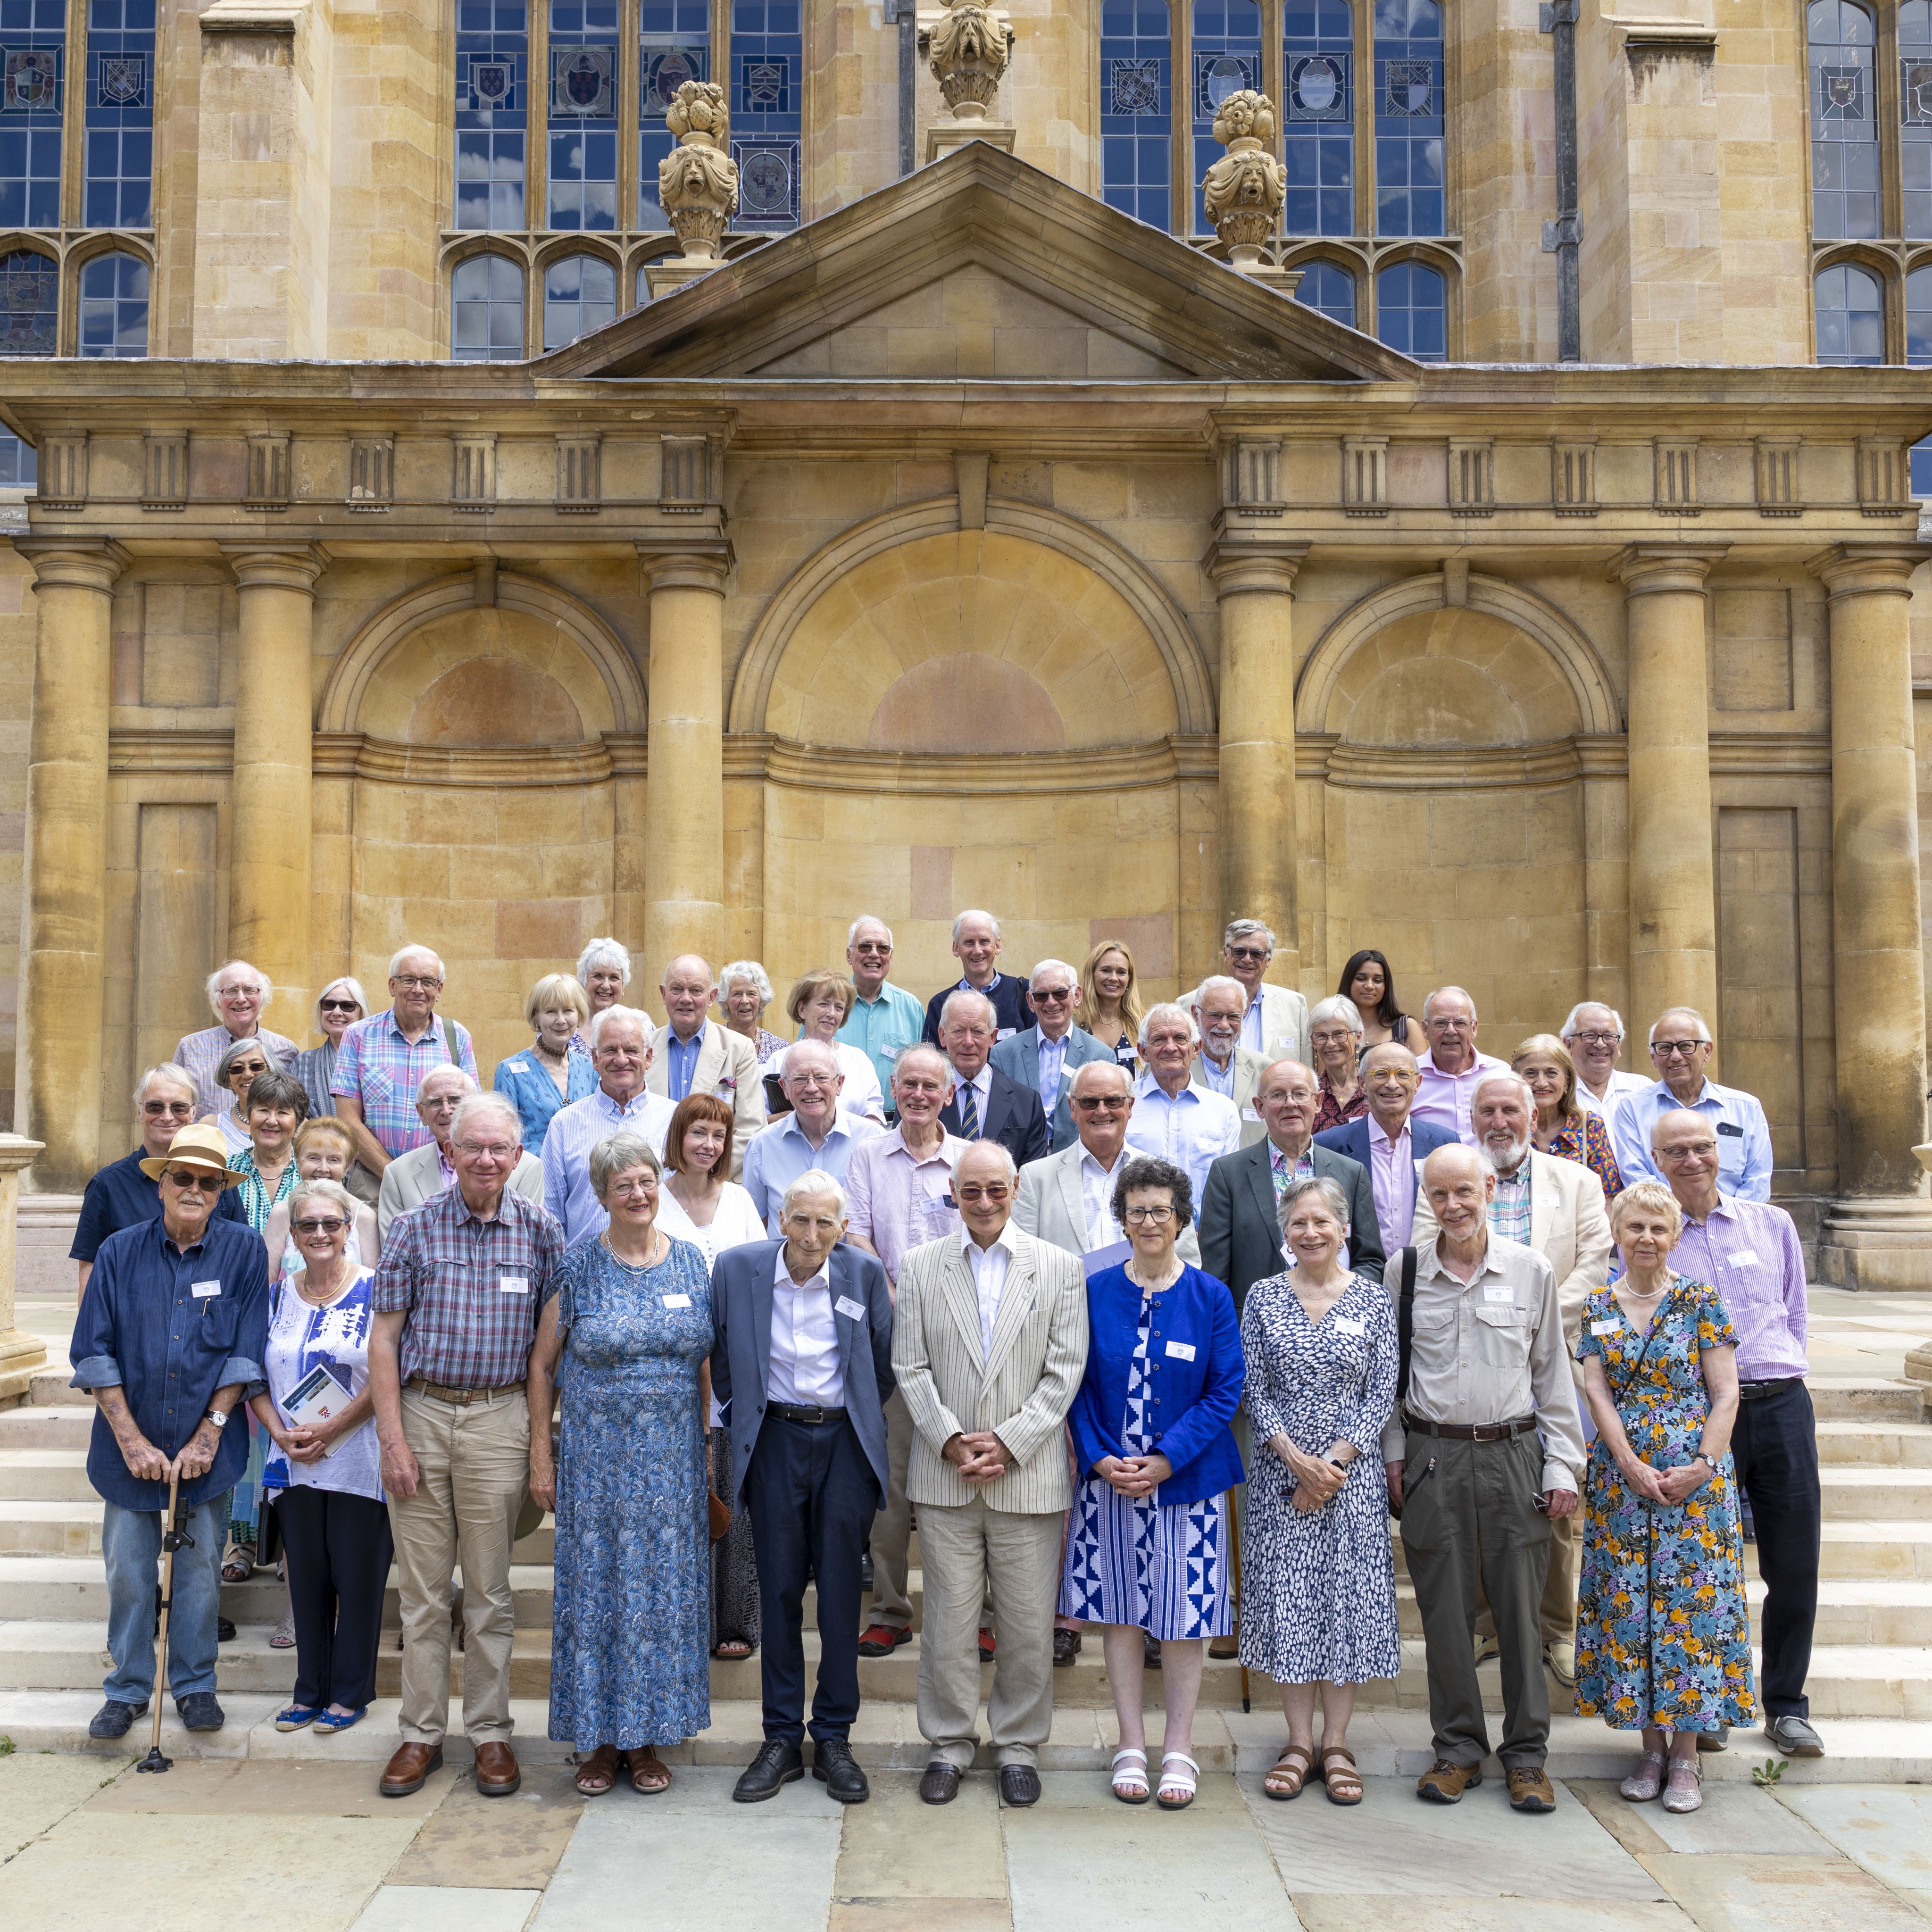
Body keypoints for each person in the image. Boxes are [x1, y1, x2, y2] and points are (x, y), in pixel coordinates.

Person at [369, 1092, 565, 1801]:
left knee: (488, 1592)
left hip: (498, 1420)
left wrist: (541, 1445)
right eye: (472, 1148)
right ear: (448, 1154)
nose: (486, 1159)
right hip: (422, 1413)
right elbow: (384, 1340)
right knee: (423, 1597)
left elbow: (548, 1358)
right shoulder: (415, 1229)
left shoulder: (543, 1234)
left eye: (499, 1149)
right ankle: (420, 1734)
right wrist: (391, 1438)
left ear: (517, 1158)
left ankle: (490, 1734)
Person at [1384, 1145, 1585, 1813]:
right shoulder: (1404, 1272)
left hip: (1513, 1455)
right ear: (1427, 1199)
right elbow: (1389, 1379)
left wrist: (1563, 1463)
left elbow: (1553, 1375)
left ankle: (1527, 1757)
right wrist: (1394, 1457)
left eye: (1465, 1192)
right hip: (1434, 1459)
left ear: (1490, 1188)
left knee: (1522, 1620)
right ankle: (1458, 1751)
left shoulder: (1531, 1270)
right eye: (1439, 1196)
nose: (1453, 1207)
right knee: (1444, 1616)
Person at [893, 1141, 1089, 1808]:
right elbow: (910, 1366)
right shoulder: (920, 1267)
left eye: (995, 1191)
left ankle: (1017, 1745)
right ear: (953, 1191)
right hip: (946, 1475)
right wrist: (950, 1441)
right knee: (947, 1622)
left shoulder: (1059, 1268)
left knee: (1029, 1622)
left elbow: (1066, 1370)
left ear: (1014, 1190)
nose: (983, 1203)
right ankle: (948, 1743)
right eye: (970, 1191)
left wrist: (1008, 1443)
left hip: (1026, 1474)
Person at [1409, 1071, 1611, 1689]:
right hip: (1464, 1347)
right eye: (1488, 1111)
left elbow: (1594, 1263)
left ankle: (1558, 1628)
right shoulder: (1443, 1184)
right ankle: (1483, 1623)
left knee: (1551, 1500)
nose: (1500, 1121)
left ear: (1533, 1114)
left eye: (1510, 1110)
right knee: (1472, 1507)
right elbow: (1427, 1249)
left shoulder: (1577, 1181)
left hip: (1553, 1348)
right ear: (1474, 1119)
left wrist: (1533, 1309)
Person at [527, 1133, 714, 1797]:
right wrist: (541, 1454)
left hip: (673, 1468)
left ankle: (649, 1740)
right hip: (598, 1465)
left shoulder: (692, 1264)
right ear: (604, 1196)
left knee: (664, 1602)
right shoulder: (577, 1267)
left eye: (646, 1182)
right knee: (598, 1601)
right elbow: (543, 1366)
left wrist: (709, 1447)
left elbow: (704, 1363)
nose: (638, 1195)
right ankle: (600, 1743)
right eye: (623, 1186)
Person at [69, 1122, 268, 1740]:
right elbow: (94, 1353)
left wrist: (211, 1432)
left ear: (219, 1192)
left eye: (208, 1182)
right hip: (128, 1447)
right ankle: (128, 1688)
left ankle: (194, 1686)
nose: (194, 1189)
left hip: (209, 1447)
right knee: (129, 1572)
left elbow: (245, 1352)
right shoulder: (118, 1252)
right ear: (162, 1185)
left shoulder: (244, 1251)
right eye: (183, 1178)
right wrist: (131, 1439)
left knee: (201, 1571)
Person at [1060, 1156, 1241, 1811]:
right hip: (1107, 1484)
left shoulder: (1210, 1296)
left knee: (1185, 1620)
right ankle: (1132, 1743)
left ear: (1181, 1218)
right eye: (1136, 1210)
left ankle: (1180, 1747)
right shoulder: (1095, 1289)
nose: (1148, 1221)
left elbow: (1225, 1392)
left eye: (1160, 1210)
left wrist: (1167, 1458)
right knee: (1121, 1614)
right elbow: (1074, 1383)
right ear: (1122, 1219)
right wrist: (1099, 1455)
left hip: (1187, 1485)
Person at [713, 1172, 896, 1806]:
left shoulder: (863, 1276)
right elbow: (724, 1356)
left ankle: (836, 1735)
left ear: (843, 1228)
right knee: (781, 1586)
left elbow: (881, 1364)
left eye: (826, 1223)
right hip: (774, 1440)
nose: (813, 1235)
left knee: (844, 1593)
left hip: (843, 1441)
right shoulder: (738, 1270)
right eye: (801, 1220)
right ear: (780, 1219)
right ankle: (783, 1736)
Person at [1576, 1181, 1755, 1813]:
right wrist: (1626, 1462)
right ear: (1617, 1236)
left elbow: (1727, 1392)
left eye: (1658, 1229)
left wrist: (1703, 1465)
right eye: (1635, 1229)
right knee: (1632, 1608)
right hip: (1624, 1480)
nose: (1646, 1240)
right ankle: (1648, 1747)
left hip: (1694, 1484)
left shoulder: (1700, 1300)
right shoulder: (1599, 1306)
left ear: (1674, 1236)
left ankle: (1685, 1755)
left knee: (1690, 1612)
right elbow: (1596, 1392)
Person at [1651, 1107, 1822, 1757]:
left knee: (1794, 1562)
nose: (1692, 1160)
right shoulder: (1651, 1235)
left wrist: (1776, 1377)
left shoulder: (1770, 1223)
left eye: (1702, 1146)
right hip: (1699, 1416)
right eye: (1677, 1151)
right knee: (1704, 1568)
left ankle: (1785, 1705)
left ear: (1719, 1150)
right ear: (1658, 1162)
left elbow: (1794, 1312)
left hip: (1781, 1407)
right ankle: (1711, 1704)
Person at [1241, 1175, 1401, 1804]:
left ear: (1344, 1230)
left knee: (1344, 1604)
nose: (1310, 1233)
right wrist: (1294, 1460)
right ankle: (1298, 1741)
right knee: (1291, 1602)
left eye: (1322, 1223)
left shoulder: (1370, 1299)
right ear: (1286, 1232)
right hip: (1280, 1476)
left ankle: (1337, 1743)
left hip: (1352, 1481)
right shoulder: (1261, 1297)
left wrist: (1331, 1467)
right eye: (1299, 1223)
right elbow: (1253, 1387)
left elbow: (1382, 1386)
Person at [844, 1047, 970, 1661]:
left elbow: (988, 1235)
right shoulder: (867, 1155)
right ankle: (890, 1610)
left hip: (964, 1346)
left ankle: (973, 1613)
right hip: (891, 1343)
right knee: (891, 1487)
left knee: (966, 1479)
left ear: (948, 1093)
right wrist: (898, 1301)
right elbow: (857, 1233)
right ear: (894, 1089)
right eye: (910, 1084)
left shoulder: (970, 1160)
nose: (919, 1095)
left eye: (931, 1086)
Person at [252, 1177, 388, 1737]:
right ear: (295, 1234)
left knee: (355, 1579)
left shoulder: (376, 1289)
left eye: (332, 1223)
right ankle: (309, 1689)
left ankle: (350, 1692)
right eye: (309, 1224)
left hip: (359, 1459)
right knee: (305, 1578)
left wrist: (332, 1427)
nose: (320, 1233)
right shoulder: (277, 1293)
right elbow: (253, 1372)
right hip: (292, 1460)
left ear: (348, 1229)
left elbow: (389, 1375)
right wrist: (280, 1434)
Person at [653, 1093, 768, 1663]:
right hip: (669, 1373)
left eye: (718, 1136)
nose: (708, 1145)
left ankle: (734, 1619)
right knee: (677, 1501)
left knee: (732, 1497)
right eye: (698, 1132)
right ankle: (680, 1620)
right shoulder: (652, 1200)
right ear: (678, 1137)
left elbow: (760, 1282)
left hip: (732, 1371)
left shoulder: (742, 1201)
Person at [1199, 1060, 1384, 1307]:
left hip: (1335, 1327)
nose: (1290, 1103)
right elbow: (1215, 1274)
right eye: (1277, 1095)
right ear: (1260, 1107)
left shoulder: (1351, 1173)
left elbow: (1370, 1261)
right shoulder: (1228, 1174)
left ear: (1318, 1102)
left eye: (1300, 1093)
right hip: (1254, 1332)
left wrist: (1342, 1304)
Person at [72, 1065, 246, 1295]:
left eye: (179, 1107)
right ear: (140, 1112)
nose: (167, 1116)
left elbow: (241, 1258)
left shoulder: (218, 1181)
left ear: (194, 1112)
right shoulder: (107, 1186)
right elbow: (91, 1271)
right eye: (155, 1106)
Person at [1314, 1043, 1476, 1259]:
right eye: (1380, 1075)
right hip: (1358, 1278)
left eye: (1402, 1075)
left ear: (1417, 1083)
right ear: (1362, 1084)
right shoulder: (1329, 1146)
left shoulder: (1444, 1143)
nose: (1392, 1084)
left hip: (1428, 1277)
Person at [331, 945, 480, 1178]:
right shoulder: (358, 1036)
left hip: (442, 1178)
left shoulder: (458, 1038)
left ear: (439, 990)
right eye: (409, 980)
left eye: (428, 982)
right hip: (372, 1179)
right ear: (393, 986)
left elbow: (470, 1113)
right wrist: (394, 1176)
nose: (418, 990)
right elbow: (348, 1119)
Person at [541, 1007, 676, 1245]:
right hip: (584, 1274)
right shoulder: (564, 1124)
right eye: (610, 1050)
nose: (621, 1059)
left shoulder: (675, 1120)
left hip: (659, 1270)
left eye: (632, 1050)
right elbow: (551, 1218)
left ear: (648, 1057)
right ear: (595, 1058)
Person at [1611, 1008, 1774, 1201]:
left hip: (1737, 1225)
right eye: (1664, 1048)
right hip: (1667, 1225)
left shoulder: (1746, 1108)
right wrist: (1681, 1216)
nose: (1675, 1056)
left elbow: (1758, 1179)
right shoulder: (1632, 1109)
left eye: (1686, 1046)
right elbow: (1635, 1176)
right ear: (1653, 1058)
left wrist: (1730, 1218)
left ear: (1707, 1051)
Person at [379, 1066, 544, 1241]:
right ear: (421, 1113)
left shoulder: (527, 1167)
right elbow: (394, 1247)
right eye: (435, 1103)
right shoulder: (398, 1173)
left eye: (455, 1100)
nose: (446, 1110)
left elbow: (527, 1242)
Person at [742, 1039, 883, 1235]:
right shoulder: (762, 1145)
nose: (811, 1088)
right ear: (784, 1089)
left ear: (839, 1084)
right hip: (784, 1264)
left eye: (821, 1078)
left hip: (850, 1264)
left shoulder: (872, 1140)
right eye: (799, 1079)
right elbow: (755, 1224)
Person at [646, 953, 765, 1156]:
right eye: (676, 989)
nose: (686, 999)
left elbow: (750, 1131)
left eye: (695, 990)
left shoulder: (740, 1049)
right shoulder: (643, 1048)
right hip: (654, 1179)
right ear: (663, 994)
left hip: (716, 1180)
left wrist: (704, 1175)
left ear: (711, 997)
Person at [991, 958, 1113, 1153]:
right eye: (1041, 996)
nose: (1051, 1002)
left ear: (1077, 996)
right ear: (1031, 1002)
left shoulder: (1101, 1055)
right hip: (1021, 1162)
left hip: (1078, 1160)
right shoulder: (1004, 1054)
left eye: (1060, 993)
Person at [1124, 1005, 1241, 1205]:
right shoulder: (1123, 1105)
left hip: (1202, 1233)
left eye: (1180, 1038)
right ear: (1143, 1051)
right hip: (1136, 1230)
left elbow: (1229, 1187)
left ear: (1196, 1048)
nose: (1170, 1047)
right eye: (1159, 1039)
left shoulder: (1224, 1111)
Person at [935, 990, 1050, 1167]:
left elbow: (1033, 1181)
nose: (968, 1041)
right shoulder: (923, 1098)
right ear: (943, 1036)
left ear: (993, 1038)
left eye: (978, 1032)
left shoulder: (1027, 1102)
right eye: (958, 1031)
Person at [173, 959, 298, 1118]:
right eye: (231, 991)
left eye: (249, 990)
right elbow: (173, 1104)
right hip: (208, 1141)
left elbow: (293, 1108)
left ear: (262, 997)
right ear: (217, 1000)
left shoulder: (286, 1049)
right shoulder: (190, 1047)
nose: (240, 999)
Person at [492, 973, 597, 1155]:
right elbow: (501, 1138)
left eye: (568, 1011)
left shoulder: (589, 1068)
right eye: (551, 1011)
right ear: (536, 1018)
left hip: (583, 1178)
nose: (561, 1020)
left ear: (579, 1014)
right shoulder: (510, 1071)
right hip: (534, 1178)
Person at [264, 1117, 381, 1277]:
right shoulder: (282, 1213)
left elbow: (373, 1284)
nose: (323, 1168)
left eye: (334, 1160)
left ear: (347, 1167)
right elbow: (268, 1282)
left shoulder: (364, 1217)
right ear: (298, 1162)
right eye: (314, 1158)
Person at [1515, 1033, 1623, 1202]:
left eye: (1552, 1073)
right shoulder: (1509, 1128)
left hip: (1578, 1226)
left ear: (1567, 1082)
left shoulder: (1590, 1126)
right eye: (1531, 1073)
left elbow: (1608, 1197)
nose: (1541, 1082)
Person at [778, 970, 886, 1124]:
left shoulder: (858, 1059)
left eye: (839, 1008)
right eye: (824, 1004)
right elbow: (762, 1117)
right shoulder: (779, 1060)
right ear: (802, 1009)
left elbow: (874, 1112)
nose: (831, 1014)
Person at [1196, 918, 1309, 1066]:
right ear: (1226, 954)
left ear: (1268, 960)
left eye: (1257, 954)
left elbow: (1307, 1071)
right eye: (1239, 951)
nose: (1247, 959)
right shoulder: (1190, 1003)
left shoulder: (1295, 1005)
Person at [837, 917, 928, 1100]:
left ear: (891, 956)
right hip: (838, 1123)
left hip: (894, 1123)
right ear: (849, 955)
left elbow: (925, 1070)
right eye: (864, 947)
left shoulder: (911, 1008)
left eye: (882, 948)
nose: (874, 954)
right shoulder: (827, 1004)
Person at [1410, 986, 1507, 1144]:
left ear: (1474, 1028)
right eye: (1440, 1023)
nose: (1451, 1031)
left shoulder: (1501, 1074)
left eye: (1460, 1023)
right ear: (1425, 1029)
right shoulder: (1408, 1076)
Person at [921, 908, 1029, 1044]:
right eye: (969, 942)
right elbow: (935, 1061)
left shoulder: (1025, 994)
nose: (977, 951)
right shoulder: (940, 1004)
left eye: (984, 941)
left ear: (997, 945)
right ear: (956, 948)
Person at [1191, 975, 1270, 1136]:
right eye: (1215, 1015)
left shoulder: (1265, 1069)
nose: (1224, 1025)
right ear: (1195, 1015)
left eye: (1233, 1017)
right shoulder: (1176, 1069)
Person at [291, 975, 368, 1130]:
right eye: (329, 1005)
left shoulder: (375, 1060)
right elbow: (292, 1115)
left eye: (347, 1006)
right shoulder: (302, 1063)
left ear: (361, 1012)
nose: (337, 1012)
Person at [1560, 1002, 1651, 1120]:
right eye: (1589, 1035)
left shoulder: (1642, 1089)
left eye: (1609, 1036)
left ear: (1619, 1047)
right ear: (1568, 1045)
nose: (1600, 1044)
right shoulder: (1556, 1093)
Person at [1338, 948, 1427, 1056]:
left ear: (1386, 986)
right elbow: (1324, 1073)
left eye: (1378, 981)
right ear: (1348, 982)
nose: (1370, 986)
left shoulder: (1406, 1027)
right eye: (1361, 979)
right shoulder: (1332, 1026)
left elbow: (1421, 1071)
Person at [1080, 939, 1146, 1073]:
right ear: (1091, 974)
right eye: (1106, 970)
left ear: (1129, 979)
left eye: (1121, 972)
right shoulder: (1076, 1022)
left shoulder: (1143, 1024)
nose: (1114, 978)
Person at [1308, 995, 1368, 1133]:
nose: (1330, 1043)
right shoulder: (1309, 1092)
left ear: (1358, 1036)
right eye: (1321, 1036)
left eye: (1340, 1034)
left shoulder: (1373, 1089)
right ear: (1313, 1042)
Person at [209, 1037, 277, 1151]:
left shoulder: (295, 1124)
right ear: (229, 1081)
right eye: (237, 1069)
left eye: (256, 1066)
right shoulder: (211, 1126)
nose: (247, 1075)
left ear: (271, 1071)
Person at [718, 960, 790, 1069]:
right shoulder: (712, 1043)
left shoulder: (779, 1048)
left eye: (751, 994)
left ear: (762, 1002)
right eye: (737, 994)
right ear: (725, 1002)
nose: (745, 1001)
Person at [573, 937, 633, 1057]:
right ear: (584, 981)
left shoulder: (639, 1025)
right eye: (598, 976)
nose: (606, 985)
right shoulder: (564, 1028)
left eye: (614, 978)